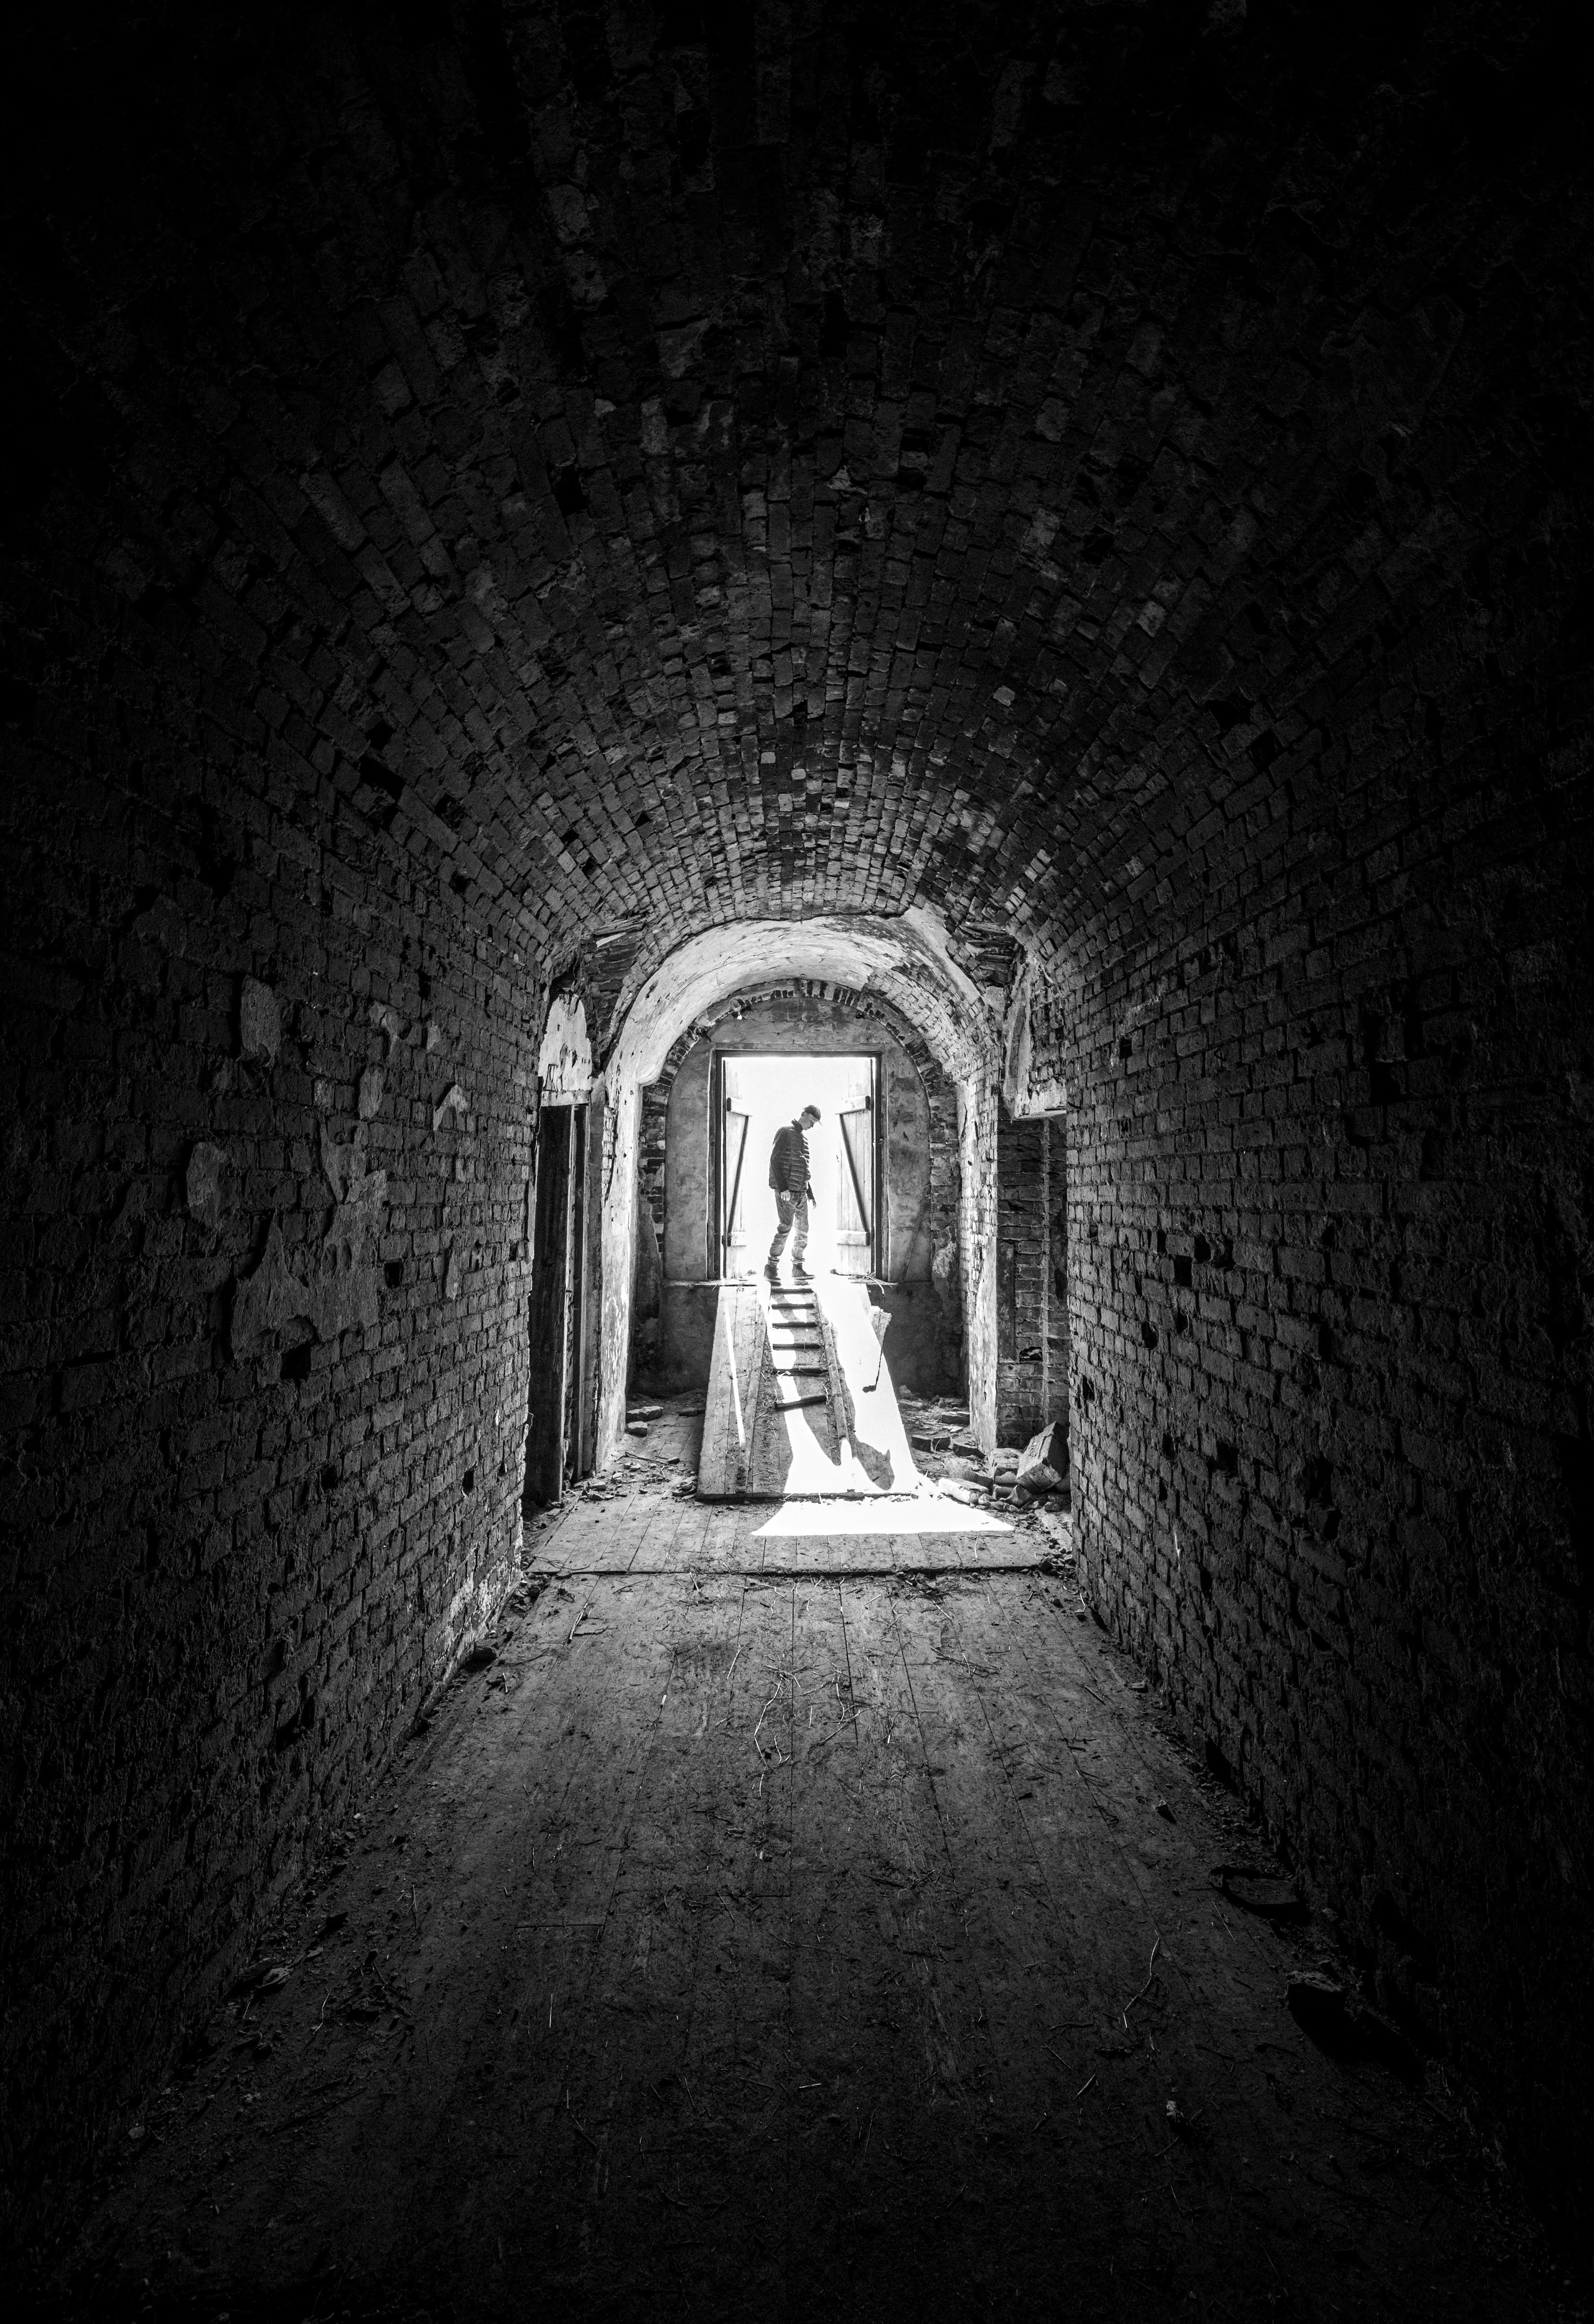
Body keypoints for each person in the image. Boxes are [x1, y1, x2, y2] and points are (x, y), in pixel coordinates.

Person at [765, 1104, 820, 1284]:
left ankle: (798, 1268)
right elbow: (775, 1159)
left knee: (803, 1231)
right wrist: (783, 1188)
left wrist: (810, 1193)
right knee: (786, 1228)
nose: (812, 1125)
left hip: (801, 1192)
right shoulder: (785, 1132)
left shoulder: (804, 1140)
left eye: (815, 1123)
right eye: (811, 1121)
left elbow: (803, 1169)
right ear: (803, 1114)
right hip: (787, 1193)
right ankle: (771, 1267)